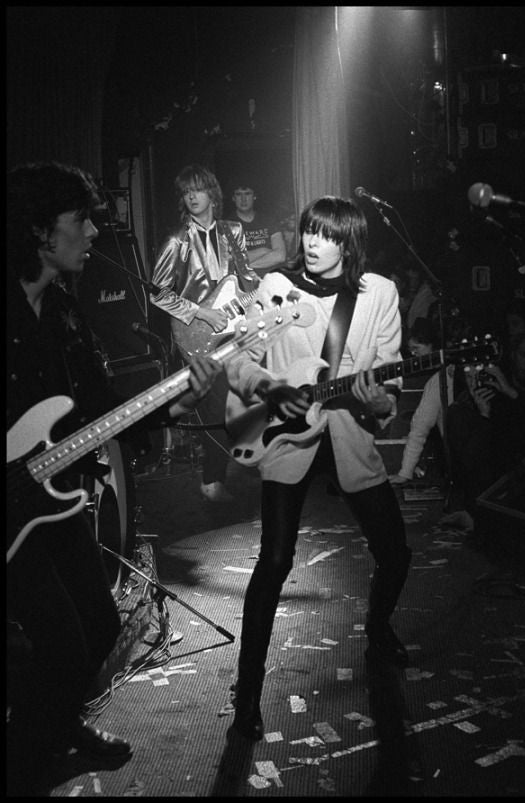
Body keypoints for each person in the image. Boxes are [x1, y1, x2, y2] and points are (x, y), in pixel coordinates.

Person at [6, 161, 222, 795]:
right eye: (82, 220)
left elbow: (102, 413)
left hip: (55, 497)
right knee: (60, 643)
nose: (95, 232)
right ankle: (23, 765)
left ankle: (59, 724)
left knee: (98, 627)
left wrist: (178, 401)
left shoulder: (65, 311)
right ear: (43, 231)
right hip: (12, 510)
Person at [224, 195, 411, 741]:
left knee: (396, 552)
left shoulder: (379, 294)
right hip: (288, 435)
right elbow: (236, 361)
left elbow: (388, 385)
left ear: (348, 242)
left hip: (349, 435)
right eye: (308, 230)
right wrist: (270, 387)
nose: (312, 241)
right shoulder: (274, 289)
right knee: (275, 561)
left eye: (326, 234)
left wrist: (378, 401)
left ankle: (378, 630)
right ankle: (248, 693)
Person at [150, 164, 259, 503]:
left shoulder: (232, 231)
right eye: (186, 192)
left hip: (232, 326)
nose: (192, 196)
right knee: (216, 404)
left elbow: (246, 278)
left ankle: (239, 470)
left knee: (245, 396)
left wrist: (263, 289)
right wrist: (200, 312)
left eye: (197, 189)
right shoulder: (177, 240)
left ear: (212, 193)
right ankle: (212, 481)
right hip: (195, 332)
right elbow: (157, 292)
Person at [443, 332, 525, 533]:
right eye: (470, 374)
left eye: (482, 373)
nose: (477, 380)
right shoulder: (459, 411)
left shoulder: (509, 401)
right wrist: (483, 416)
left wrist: (510, 393)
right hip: (485, 504)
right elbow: (469, 464)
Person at [389, 318, 457, 487]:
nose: (413, 354)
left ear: (433, 346)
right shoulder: (437, 380)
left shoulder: (442, 377)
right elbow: (419, 428)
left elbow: (419, 428)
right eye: (410, 350)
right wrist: (405, 472)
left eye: (416, 348)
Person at [231, 180, 286, 276]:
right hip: (243, 282)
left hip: (271, 278)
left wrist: (246, 268)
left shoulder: (269, 220)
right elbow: (232, 260)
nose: (243, 199)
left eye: (247, 194)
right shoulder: (227, 224)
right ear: (233, 198)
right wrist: (263, 250)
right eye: (239, 194)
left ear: (254, 196)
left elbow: (280, 256)